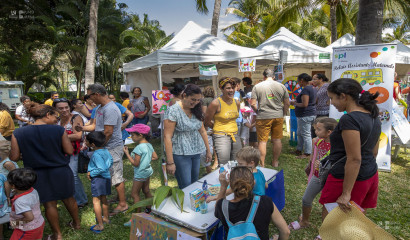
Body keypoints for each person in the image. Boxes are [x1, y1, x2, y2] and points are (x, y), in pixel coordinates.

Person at [318, 78, 381, 240]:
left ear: (344, 96)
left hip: (347, 177)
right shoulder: (373, 114)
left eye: (332, 98)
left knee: (332, 218)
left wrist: (346, 193)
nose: (331, 103)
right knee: (356, 216)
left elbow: (354, 159)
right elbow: (374, 150)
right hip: (370, 173)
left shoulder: (350, 119)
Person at [10, 103, 80, 240]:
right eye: (55, 116)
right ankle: (77, 224)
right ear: (47, 115)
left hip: (37, 174)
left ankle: (57, 234)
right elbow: (69, 151)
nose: (57, 120)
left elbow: (14, 157)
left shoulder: (18, 132)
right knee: (68, 198)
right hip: (60, 170)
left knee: (49, 203)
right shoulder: (58, 130)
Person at [76, 84, 128, 215]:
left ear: (97, 94)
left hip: (112, 147)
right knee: (111, 174)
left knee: (116, 175)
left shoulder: (110, 109)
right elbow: (94, 125)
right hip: (103, 146)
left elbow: (108, 132)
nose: (88, 98)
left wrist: (98, 147)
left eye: (89, 95)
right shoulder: (100, 107)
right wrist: (81, 128)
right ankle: (118, 198)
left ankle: (123, 204)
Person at [214, 166, 290, 240]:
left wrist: (223, 187)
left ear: (231, 186)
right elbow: (286, 232)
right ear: (254, 183)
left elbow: (218, 206)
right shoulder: (265, 201)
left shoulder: (223, 207)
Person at [288, 118, 337, 231]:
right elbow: (314, 155)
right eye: (315, 129)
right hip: (317, 175)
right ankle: (304, 221)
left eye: (319, 129)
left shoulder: (338, 146)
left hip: (331, 178)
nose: (315, 132)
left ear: (329, 132)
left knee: (328, 205)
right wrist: (310, 165)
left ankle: (327, 230)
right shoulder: (317, 141)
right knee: (306, 199)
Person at [164, 84, 212, 189]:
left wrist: (208, 150)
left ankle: (192, 204)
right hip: (180, 152)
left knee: (194, 182)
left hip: (196, 150)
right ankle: (184, 205)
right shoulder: (173, 111)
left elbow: (203, 131)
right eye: (193, 99)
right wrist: (170, 162)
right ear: (184, 95)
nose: (195, 102)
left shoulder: (196, 109)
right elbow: (167, 137)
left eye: (198, 100)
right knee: (185, 184)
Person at [53, 98, 88, 208]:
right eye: (61, 108)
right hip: (60, 152)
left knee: (72, 175)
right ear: (55, 109)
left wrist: (57, 137)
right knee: (65, 175)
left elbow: (77, 135)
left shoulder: (76, 117)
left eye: (66, 107)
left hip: (74, 151)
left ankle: (81, 200)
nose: (64, 110)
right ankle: (72, 196)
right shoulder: (57, 119)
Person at [251, 69, 290, 167]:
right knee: (277, 140)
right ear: (274, 77)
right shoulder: (282, 86)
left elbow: (252, 104)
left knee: (262, 141)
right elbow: (287, 103)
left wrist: (258, 112)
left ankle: (262, 164)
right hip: (278, 115)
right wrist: (283, 113)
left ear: (264, 76)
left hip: (263, 116)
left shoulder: (257, 86)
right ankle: (275, 162)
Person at [123, 124, 158, 225]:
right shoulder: (149, 145)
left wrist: (127, 153)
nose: (131, 137)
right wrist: (146, 160)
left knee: (134, 194)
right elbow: (155, 157)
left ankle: (137, 218)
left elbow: (135, 163)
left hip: (140, 174)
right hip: (147, 172)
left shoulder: (138, 148)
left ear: (141, 135)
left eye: (133, 135)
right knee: (146, 190)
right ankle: (149, 209)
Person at [205, 77, 241, 165]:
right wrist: (218, 128)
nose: (231, 90)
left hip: (235, 135)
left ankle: (235, 179)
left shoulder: (236, 102)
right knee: (224, 165)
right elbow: (206, 121)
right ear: (221, 89)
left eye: (233, 88)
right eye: (228, 88)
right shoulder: (216, 103)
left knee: (238, 162)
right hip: (221, 136)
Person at [85, 131, 113, 233]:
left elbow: (101, 168)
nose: (85, 142)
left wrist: (91, 173)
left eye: (86, 141)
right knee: (104, 198)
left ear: (92, 144)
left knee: (96, 201)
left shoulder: (96, 154)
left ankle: (100, 225)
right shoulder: (106, 151)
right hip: (106, 178)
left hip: (98, 179)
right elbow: (111, 161)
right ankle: (105, 218)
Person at [8, 168, 45, 240]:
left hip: (27, 229)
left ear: (13, 186)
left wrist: (15, 223)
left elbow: (29, 217)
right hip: (39, 223)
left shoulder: (20, 202)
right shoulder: (33, 190)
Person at [290, 73, 317, 159]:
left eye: (298, 81)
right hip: (310, 113)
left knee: (306, 134)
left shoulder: (306, 89)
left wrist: (295, 103)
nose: (298, 83)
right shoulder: (313, 88)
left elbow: (305, 104)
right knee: (300, 133)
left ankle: (307, 153)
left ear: (301, 80)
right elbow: (313, 101)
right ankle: (299, 149)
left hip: (305, 115)